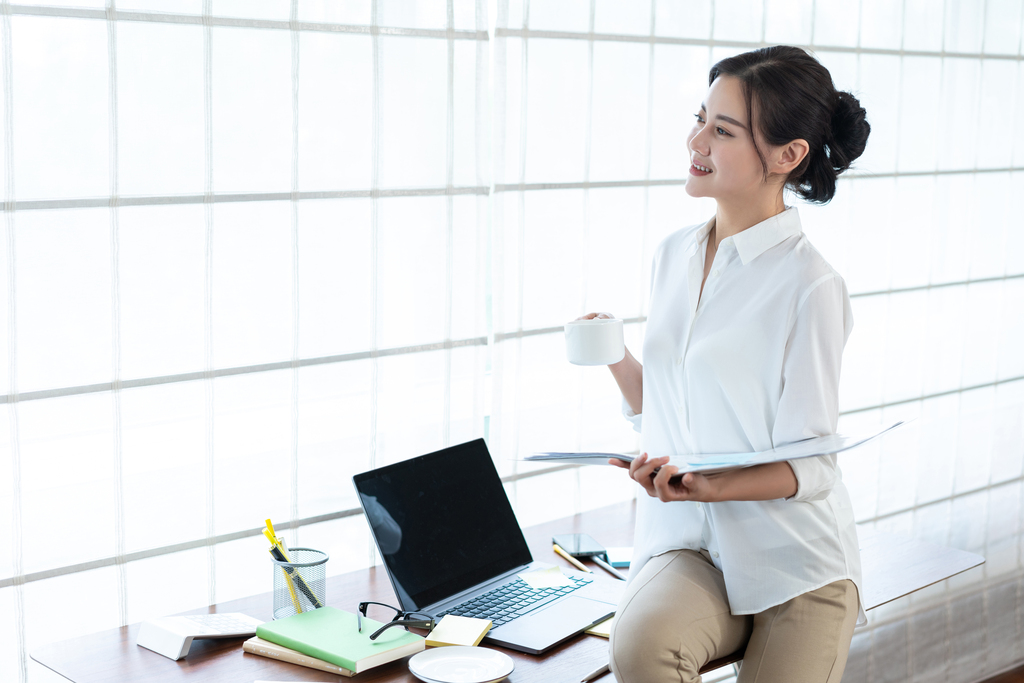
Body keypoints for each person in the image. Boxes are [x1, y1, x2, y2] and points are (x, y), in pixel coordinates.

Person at [584, 46, 872, 683]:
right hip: (692, 544)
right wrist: (614, 355)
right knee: (640, 649)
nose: (696, 139)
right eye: (700, 118)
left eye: (723, 129)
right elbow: (660, 407)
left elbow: (810, 467)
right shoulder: (671, 257)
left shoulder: (811, 287)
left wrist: (711, 484)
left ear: (788, 155)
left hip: (798, 562)